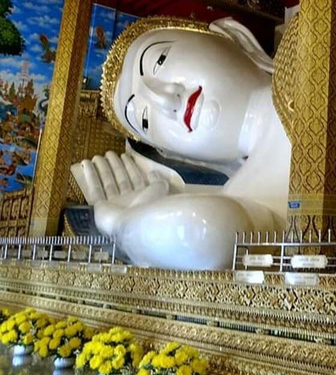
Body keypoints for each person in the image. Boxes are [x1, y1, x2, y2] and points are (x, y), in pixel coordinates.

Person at [72, 17, 291, 270]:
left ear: (235, 37)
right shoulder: (251, 200)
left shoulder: (311, 37)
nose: (166, 100)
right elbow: (202, 231)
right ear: (185, 156)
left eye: (160, 60)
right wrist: (122, 223)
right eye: (144, 119)